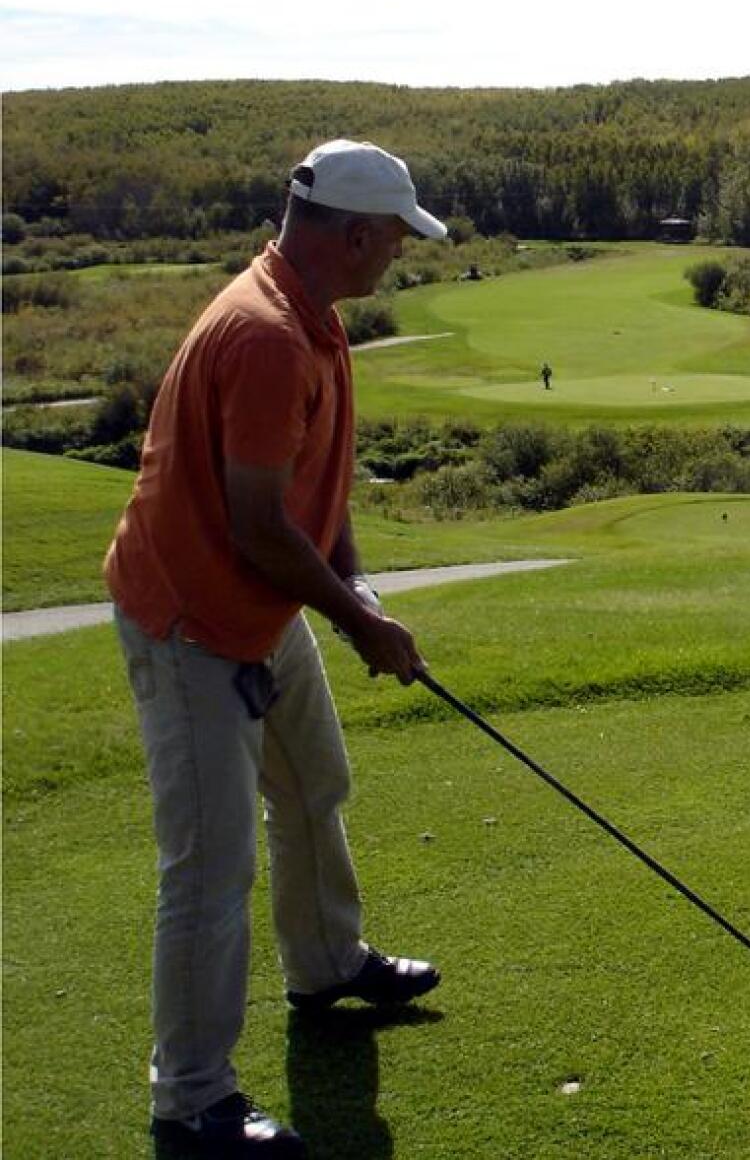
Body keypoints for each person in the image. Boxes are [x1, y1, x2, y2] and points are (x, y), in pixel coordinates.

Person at [104, 138, 448, 1157]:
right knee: (211, 868)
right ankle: (191, 1100)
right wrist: (359, 623)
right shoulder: (264, 337)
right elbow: (257, 525)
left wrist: (357, 588)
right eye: (396, 236)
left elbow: (314, 495)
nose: (402, 252)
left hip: (259, 603)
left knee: (311, 783)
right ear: (354, 235)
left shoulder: (314, 317)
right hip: (192, 621)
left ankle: (327, 964)